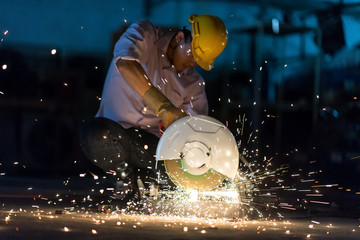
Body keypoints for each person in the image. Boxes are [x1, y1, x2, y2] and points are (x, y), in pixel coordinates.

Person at [80, 14, 228, 199]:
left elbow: (197, 135)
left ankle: (145, 181)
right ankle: (124, 179)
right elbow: (125, 63)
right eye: (193, 54)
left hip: (150, 149)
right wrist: (164, 108)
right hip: (112, 135)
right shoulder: (145, 34)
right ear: (180, 37)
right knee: (95, 133)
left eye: (199, 60)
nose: (194, 63)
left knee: (178, 167)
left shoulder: (194, 84)